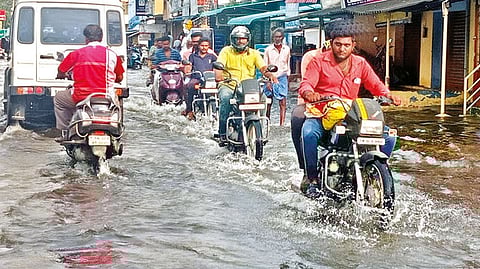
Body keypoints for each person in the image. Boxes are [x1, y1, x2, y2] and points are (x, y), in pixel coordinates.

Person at [297, 23, 400, 198]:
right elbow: (306, 83)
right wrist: (309, 93)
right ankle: (312, 178)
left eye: (346, 45)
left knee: (389, 136)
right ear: (331, 43)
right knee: (308, 134)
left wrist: (388, 96)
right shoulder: (318, 62)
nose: (342, 49)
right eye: (338, 44)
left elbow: (375, 85)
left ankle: (374, 173)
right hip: (323, 113)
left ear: (353, 44)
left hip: (351, 114)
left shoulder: (360, 63)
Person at [54, 24, 124, 140]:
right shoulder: (112, 54)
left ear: (86, 39)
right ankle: (116, 135)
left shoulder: (76, 54)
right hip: (107, 97)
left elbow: (61, 70)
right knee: (117, 107)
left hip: (80, 97)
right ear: (101, 38)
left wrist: (61, 75)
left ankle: (65, 132)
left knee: (58, 99)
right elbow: (120, 77)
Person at [215, 26, 278, 146]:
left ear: (247, 39)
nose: (240, 41)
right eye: (237, 39)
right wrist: (219, 76)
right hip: (230, 84)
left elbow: (263, 67)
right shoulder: (226, 51)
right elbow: (219, 66)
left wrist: (271, 75)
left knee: (263, 98)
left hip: (249, 87)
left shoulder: (254, 53)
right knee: (225, 98)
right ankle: (222, 132)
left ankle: (260, 128)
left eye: (243, 38)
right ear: (233, 39)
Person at [183, 37, 217, 120]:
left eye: (206, 45)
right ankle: (189, 110)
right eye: (202, 45)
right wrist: (187, 70)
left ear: (209, 46)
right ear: (198, 46)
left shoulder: (212, 56)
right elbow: (189, 67)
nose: (204, 47)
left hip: (209, 80)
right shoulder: (193, 56)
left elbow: (217, 66)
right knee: (190, 86)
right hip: (197, 78)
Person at [263, 28, 290, 126]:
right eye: (275, 37)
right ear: (273, 38)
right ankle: (267, 121)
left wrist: (288, 77)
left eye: (279, 37)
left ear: (282, 37)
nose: (277, 39)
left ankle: (282, 123)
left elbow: (287, 63)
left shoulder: (286, 49)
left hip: (282, 76)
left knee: (283, 101)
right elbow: (265, 66)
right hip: (271, 76)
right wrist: (268, 81)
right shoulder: (268, 50)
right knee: (268, 101)